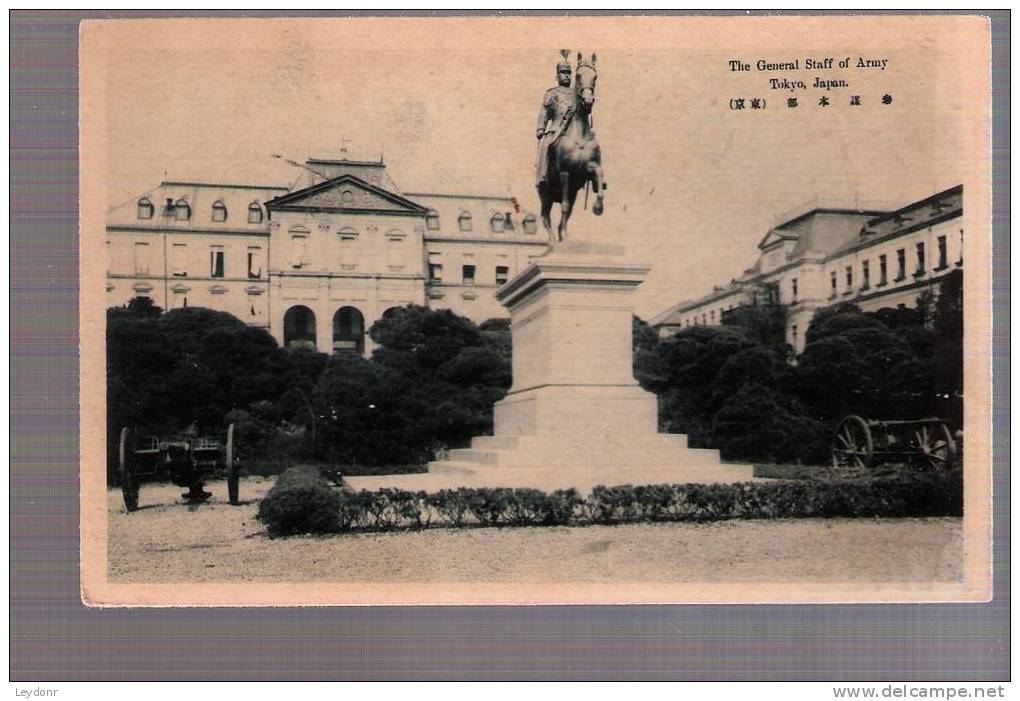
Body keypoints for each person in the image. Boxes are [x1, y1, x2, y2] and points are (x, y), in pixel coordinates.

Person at [535, 52, 576, 190]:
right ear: (557, 75)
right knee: (546, 145)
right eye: (563, 72)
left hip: (573, 131)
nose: (566, 75)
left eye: (569, 73)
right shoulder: (551, 93)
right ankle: (543, 175)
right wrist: (541, 127)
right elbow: (544, 112)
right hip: (556, 129)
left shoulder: (576, 94)